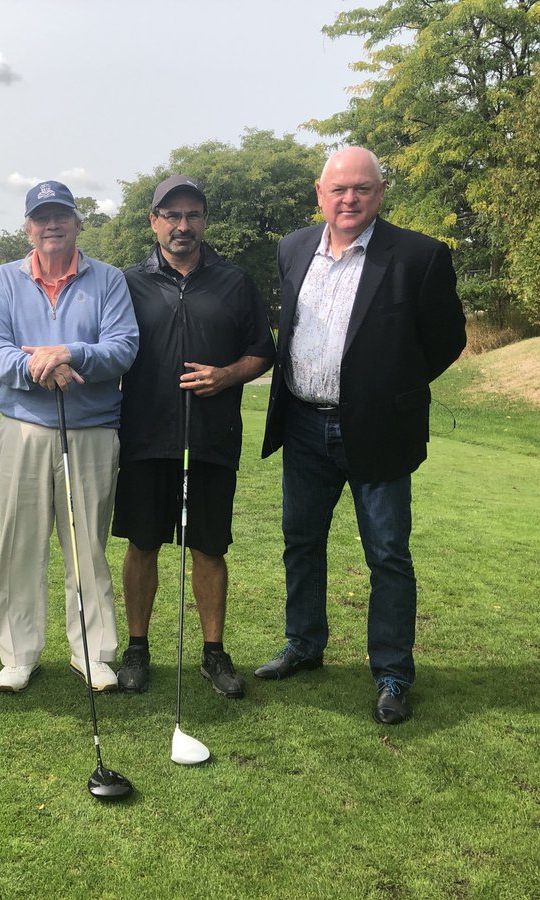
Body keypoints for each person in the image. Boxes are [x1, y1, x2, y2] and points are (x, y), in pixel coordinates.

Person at [257, 147, 467, 724]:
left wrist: (390, 387)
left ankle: (393, 671)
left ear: (380, 192)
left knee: (387, 554)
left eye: (362, 189)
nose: (349, 199)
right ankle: (304, 644)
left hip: (379, 429)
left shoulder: (419, 256)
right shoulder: (294, 247)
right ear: (320, 194)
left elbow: (446, 339)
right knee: (301, 542)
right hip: (303, 423)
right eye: (339, 189)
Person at [113, 175, 275, 697]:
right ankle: (137, 647)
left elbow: (262, 351)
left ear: (204, 221)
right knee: (143, 544)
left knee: (208, 547)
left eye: (193, 215)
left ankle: (212, 652)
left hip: (211, 437)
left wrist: (226, 375)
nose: (182, 226)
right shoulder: (126, 282)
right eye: (171, 215)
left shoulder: (234, 281)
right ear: (154, 221)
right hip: (145, 436)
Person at [0, 180, 139, 693]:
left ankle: (92, 653)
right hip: (24, 429)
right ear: (28, 227)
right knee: (20, 544)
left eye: (62, 215)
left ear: (77, 222)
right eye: (42, 217)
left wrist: (68, 353)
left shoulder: (109, 280)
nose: (52, 225)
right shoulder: (4, 279)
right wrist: (39, 367)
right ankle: (19, 653)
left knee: (86, 546)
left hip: (91, 430)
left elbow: (122, 346)